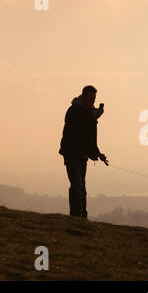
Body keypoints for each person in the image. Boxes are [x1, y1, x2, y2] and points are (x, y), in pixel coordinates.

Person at [59, 85, 109, 218]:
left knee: (82, 187)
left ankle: (82, 216)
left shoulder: (89, 112)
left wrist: (97, 153)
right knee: (76, 185)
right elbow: (77, 129)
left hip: (82, 154)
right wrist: (94, 117)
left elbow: (89, 137)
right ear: (84, 96)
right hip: (71, 153)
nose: (93, 101)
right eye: (91, 98)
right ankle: (76, 215)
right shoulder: (74, 110)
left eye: (94, 98)